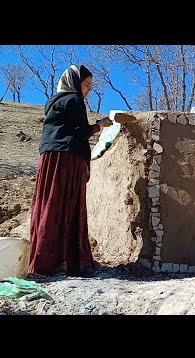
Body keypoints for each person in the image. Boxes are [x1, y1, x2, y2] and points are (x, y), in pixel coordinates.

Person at [28, 64, 112, 277]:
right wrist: (100, 125)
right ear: (75, 83)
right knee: (67, 207)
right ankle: (67, 260)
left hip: (49, 159)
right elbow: (82, 133)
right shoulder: (75, 100)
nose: (89, 89)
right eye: (86, 84)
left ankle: (45, 260)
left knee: (50, 204)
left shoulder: (53, 102)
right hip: (66, 159)